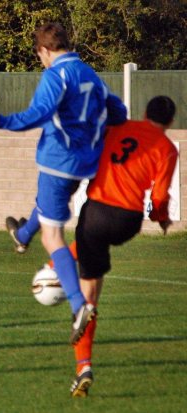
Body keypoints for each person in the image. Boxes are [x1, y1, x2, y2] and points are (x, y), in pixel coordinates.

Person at [0, 22, 127, 345]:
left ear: (45, 51)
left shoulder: (55, 75)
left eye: (40, 56)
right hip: (84, 166)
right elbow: (117, 110)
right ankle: (21, 235)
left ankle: (78, 306)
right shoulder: (89, 73)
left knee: (53, 236)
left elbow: (40, 112)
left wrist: (4, 121)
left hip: (58, 162)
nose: (42, 62)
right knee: (48, 208)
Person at [64, 96, 177, 397]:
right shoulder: (166, 148)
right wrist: (161, 218)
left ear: (143, 112)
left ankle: (83, 359)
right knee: (93, 256)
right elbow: (161, 196)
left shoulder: (120, 127)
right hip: (128, 220)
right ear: (170, 122)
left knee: (88, 290)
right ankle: (83, 368)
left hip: (98, 210)